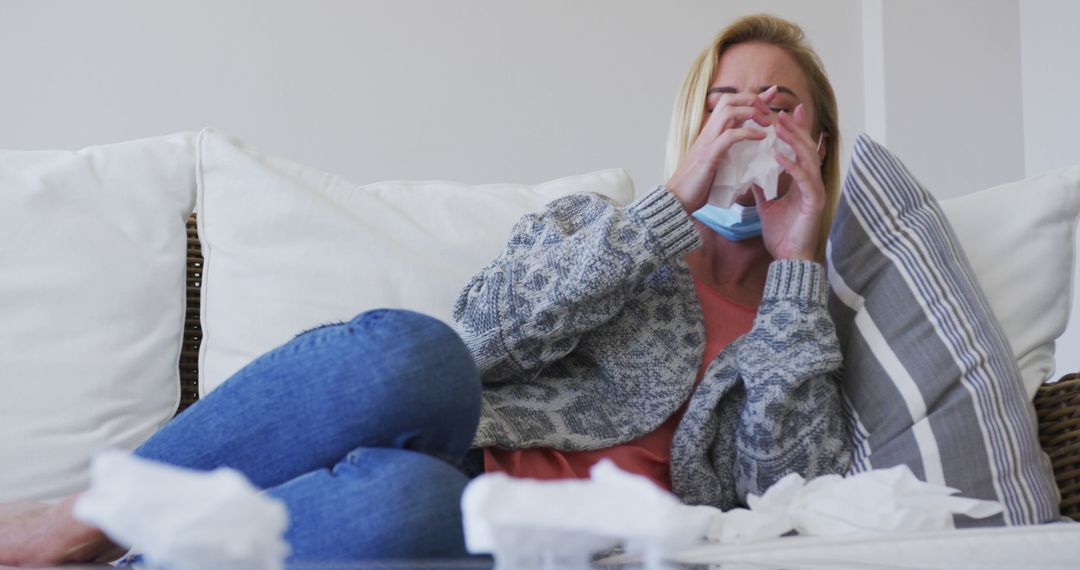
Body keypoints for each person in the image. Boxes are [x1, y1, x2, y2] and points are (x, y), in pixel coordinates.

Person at [0, 13, 848, 566]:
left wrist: (798, 269)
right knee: (417, 350)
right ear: (692, 133)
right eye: (725, 105)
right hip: (458, 432)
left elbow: (784, 492)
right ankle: (78, 523)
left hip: (493, 525)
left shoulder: (807, 316)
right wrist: (666, 212)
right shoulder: (604, 226)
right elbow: (487, 333)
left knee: (403, 504)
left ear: (816, 139)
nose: (750, 124)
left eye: (779, 108)